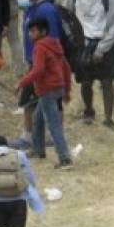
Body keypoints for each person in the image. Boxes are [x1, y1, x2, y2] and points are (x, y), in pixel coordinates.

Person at [62, 0, 114, 127]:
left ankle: (108, 118)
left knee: (107, 82)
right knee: (85, 82)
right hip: (82, 44)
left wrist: (101, 49)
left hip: (104, 42)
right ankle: (88, 111)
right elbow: (66, 16)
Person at [11, 0, 61, 149]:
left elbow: (53, 39)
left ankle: (30, 137)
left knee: (30, 100)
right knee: (36, 101)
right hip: (34, 61)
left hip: (42, 63)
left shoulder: (45, 11)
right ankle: (38, 136)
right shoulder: (30, 10)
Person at [16, 17, 72, 167]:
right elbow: (65, 67)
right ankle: (38, 149)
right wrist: (66, 89)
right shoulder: (55, 45)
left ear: (43, 31)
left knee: (53, 124)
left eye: (34, 31)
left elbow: (38, 70)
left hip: (47, 89)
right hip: (57, 87)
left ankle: (64, 158)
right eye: (30, 31)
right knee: (37, 118)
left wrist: (21, 83)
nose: (30, 34)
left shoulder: (39, 47)